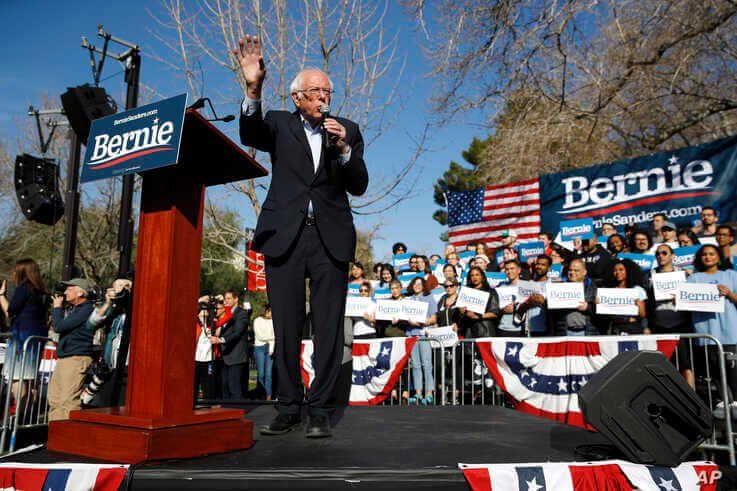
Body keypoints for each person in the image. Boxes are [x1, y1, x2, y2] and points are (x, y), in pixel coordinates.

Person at [237, 34, 368, 438]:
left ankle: (320, 411)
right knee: (287, 328)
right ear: (297, 98)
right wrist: (253, 88)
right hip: (285, 237)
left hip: (330, 238)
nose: (323, 97)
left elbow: (359, 184)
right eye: (315, 92)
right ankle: (289, 406)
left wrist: (344, 149)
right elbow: (249, 133)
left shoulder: (346, 129)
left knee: (328, 329)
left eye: (327, 91)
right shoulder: (277, 123)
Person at [688, 244, 737, 403]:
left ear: (718, 257)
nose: (708, 257)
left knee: (734, 376)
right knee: (716, 376)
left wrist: (729, 293)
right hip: (707, 336)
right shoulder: (693, 279)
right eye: (704, 254)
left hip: (731, 335)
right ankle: (728, 408)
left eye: (711, 254)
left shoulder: (731, 275)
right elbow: (685, 302)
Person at [0, 259, 49, 411]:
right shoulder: (42, 293)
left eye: (15, 270)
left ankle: (17, 416)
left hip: (21, 340)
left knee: (17, 378)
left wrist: (1, 295)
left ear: (22, 272)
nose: (13, 273)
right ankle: (25, 414)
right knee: (30, 380)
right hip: (36, 340)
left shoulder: (23, 289)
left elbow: (10, 311)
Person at [647, 244, 694, 388]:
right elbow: (647, 302)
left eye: (664, 253)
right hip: (659, 326)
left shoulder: (684, 275)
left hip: (681, 324)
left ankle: (691, 398)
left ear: (672, 256)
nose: (660, 256)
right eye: (658, 254)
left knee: (686, 364)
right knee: (664, 366)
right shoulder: (650, 275)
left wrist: (683, 298)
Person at [48, 278, 95, 421]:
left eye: (69, 289)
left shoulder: (87, 309)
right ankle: (54, 435)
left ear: (80, 292)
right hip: (66, 358)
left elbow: (59, 327)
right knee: (54, 399)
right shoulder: (76, 310)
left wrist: (57, 308)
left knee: (67, 401)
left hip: (76, 358)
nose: (65, 292)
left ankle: (67, 439)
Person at [210, 292, 250, 400]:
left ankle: (239, 412)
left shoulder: (241, 314)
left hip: (236, 355)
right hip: (225, 356)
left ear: (236, 299)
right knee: (225, 388)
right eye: (225, 299)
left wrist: (221, 339)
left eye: (229, 298)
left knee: (234, 388)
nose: (226, 301)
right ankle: (228, 411)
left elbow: (237, 332)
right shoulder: (226, 313)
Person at [405, 277, 438, 405]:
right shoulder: (409, 300)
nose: (417, 286)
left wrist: (422, 322)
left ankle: (429, 393)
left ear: (423, 285)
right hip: (412, 335)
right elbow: (405, 317)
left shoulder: (429, 298)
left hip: (424, 334)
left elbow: (434, 318)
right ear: (412, 286)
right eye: (415, 283)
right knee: (416, 365)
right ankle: (418, 393)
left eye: (420, 284)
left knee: (427, 364)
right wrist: (409, 321)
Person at [550, 259, 597, 336]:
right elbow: (552, 312)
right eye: (570, 270)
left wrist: (588, 307)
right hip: (565, 332)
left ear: (584, 272)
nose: (572, 273)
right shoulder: (559, 287)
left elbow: (602, 312)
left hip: (587, 333)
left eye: (576, 270)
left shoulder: (593, 288)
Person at [601, 260, 647, 335]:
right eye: (615, 270)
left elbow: (643, 314)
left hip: (632, 327)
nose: (618, 273)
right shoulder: (610, 291)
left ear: (628, 271)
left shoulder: (637, 290)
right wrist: (600, 303)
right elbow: (606, 315)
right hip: (615, 327)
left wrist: (639, 305)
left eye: (621, 270)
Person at [517, 255, 551, 336]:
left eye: (543, 265)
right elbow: (519, 310)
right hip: (529, 330)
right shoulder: (527, 284)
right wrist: (528, 303)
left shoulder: (553, 285)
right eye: (537, 264)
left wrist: (544, 302)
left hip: (547, 331)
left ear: (549, 267)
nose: (539, 267)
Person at [253, 304, 275, 400]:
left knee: (269, 373)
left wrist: (271, 349)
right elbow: (260, 336)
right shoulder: (257, 321)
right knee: (261, 373)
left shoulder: (273, 321)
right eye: (270, 311)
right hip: (259, 348)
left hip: (269, 348)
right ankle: (261, 393)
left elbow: (274, 337)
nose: (271, 313)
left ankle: (268, 395)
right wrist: (272, 338)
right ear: (265, 311)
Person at [497, 260, 524, 336]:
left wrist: (515, 309)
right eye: (507, 269)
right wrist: (502, 310)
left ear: (519, 270)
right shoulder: (501, 287)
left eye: (512, 268)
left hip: (520, 329)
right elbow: (495, 308)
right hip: (502, 328)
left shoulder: (526, 286)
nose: (509, 271)